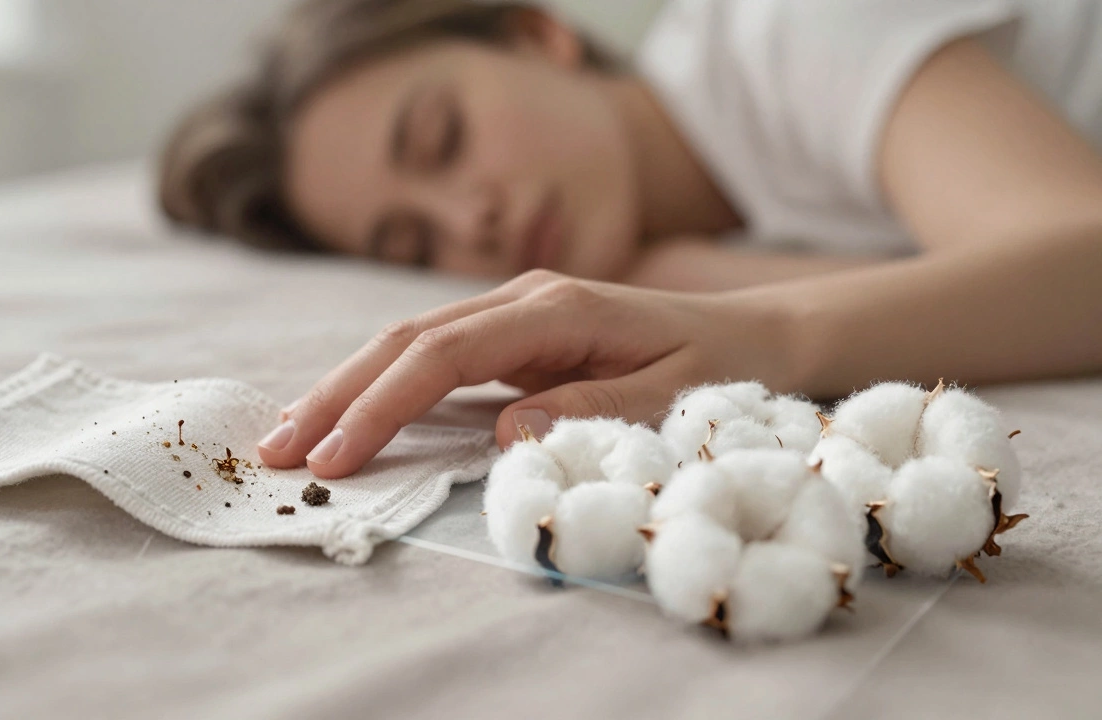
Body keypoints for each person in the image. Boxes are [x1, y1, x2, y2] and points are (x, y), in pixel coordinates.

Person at [159, 0, 1102, 480]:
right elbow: (984, 293)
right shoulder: (678, 249)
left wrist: (756, 330)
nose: (466, 219)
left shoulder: (790, 25)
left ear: (538, 33)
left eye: (441, 139)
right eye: (410, 245)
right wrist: (681, 279)